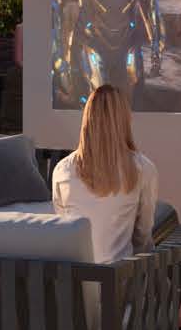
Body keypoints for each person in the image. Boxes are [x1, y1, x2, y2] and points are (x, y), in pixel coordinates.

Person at [50, 84, 160, 264]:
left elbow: (64, 229)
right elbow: (143, 236)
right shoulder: (143, 168)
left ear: (87, 119)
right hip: (119, 283)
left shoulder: (62, 170)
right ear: (125, 119)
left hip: (75, 285)